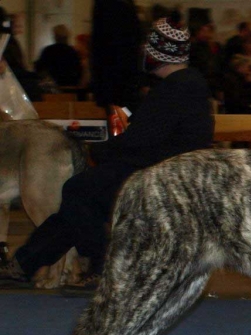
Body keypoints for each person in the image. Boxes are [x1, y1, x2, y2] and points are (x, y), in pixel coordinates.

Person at [0, 16, 214, 290]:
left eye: (150, 48)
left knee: (79, 192)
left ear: (161, 54)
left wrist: (96, 150)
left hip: (160, 169)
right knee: (83, 195)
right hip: (165, 165)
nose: (145, 53)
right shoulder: (186, 84)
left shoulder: (176, 88)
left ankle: (102, 263)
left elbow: (140, 138)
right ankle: (24, 264)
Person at [90, 0, 144, 110]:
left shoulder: (102, 6)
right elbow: (137, 38)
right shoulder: (127, 8)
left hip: (105, 73)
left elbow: (96, 43)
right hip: (127, 72)